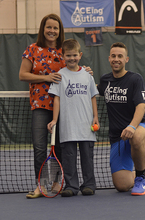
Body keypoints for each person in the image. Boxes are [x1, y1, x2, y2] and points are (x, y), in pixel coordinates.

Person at [19, 14, 92, 198]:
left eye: (55, 28)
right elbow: (23, 75)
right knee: (39, 147)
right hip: (41, 105)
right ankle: (41, 186)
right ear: (43, 29)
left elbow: (74, 69)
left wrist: (86, 71)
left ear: (60, 31)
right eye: (49, 27)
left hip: (65, 107)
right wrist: (46, 77)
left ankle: (58, 183)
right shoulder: (32, 49)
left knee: (61, 148)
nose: (52, 31)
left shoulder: (64, 50)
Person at [97, 42, 145, 196]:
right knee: (122, 186)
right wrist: (82, 73)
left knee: (136, 138)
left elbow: (140, 106)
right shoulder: (105, 81)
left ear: (126, 59)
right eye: (113, 56)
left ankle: (140, 179)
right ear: (109, 58)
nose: (116, 59)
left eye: (120, 56)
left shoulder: (135, 79)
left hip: (139, 128)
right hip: (118, 138)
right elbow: (90, 90)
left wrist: (131, 126)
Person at [47, 39, 99, 197]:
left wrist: (95, 117)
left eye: (74, 55)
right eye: (68, 55)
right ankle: (71, 186)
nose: (72, 58)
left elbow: (93, 97)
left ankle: (89, 185)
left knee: (87, 158)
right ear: (63, 56)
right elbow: (56, 98)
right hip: (67, 126)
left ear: (80, 55)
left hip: (86, 126)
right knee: (68, 159)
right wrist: (55, 120)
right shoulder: (60, 76)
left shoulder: (87, 76)